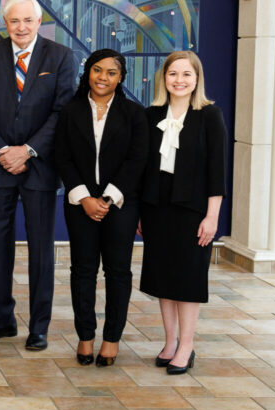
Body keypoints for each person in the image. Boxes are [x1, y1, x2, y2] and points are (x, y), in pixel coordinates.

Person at [0, 0, 76, 351]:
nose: (21, 27)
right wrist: (2, 151)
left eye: (28, 21)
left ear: (39, 21)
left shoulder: (59, 56)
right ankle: (0, 320)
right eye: (14, 21)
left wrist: (27, 151)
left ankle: (39, 326)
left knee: (41, 251)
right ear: (5, 23)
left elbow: (62, 111)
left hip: (39, 168)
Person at [54, 49, 148, 367]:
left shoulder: (135, 114)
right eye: (97, 70)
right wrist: (85, 198)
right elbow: (62, 157)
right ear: (88, 73)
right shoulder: (70, 111)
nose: (103, 77)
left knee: (117, 272)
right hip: (80, 203)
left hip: (120, 205)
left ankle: (111, 340)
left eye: (110, 72)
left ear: (120, 77)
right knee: (83, 271)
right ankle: (85, 337)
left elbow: (137, 159)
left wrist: (106, 199)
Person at [139, 50, 226, 375]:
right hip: (156, 208)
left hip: (193, 210)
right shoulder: (151, 115)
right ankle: (170, 341)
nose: (179, 80)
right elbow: (145, 167)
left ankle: (187, 345)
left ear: (196, 79)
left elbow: (217, 170)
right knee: (163, 277)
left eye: (186, 74)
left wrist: (212, 216)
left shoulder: (209, 115)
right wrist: (139, 210)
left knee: (188, 278)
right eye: (173, 74)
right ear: (164, 78)